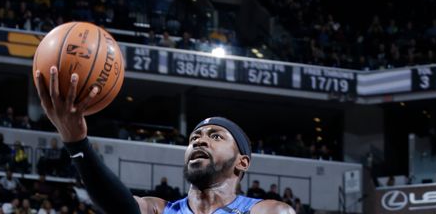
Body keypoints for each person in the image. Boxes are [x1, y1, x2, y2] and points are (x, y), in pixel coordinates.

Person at [34, 65, 296, 214]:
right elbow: (117, 204)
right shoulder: (159, 210)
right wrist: (76, 142)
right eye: (194, 137)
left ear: (243, 162)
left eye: (216, 136)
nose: (200, 141)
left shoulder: (268, 211)